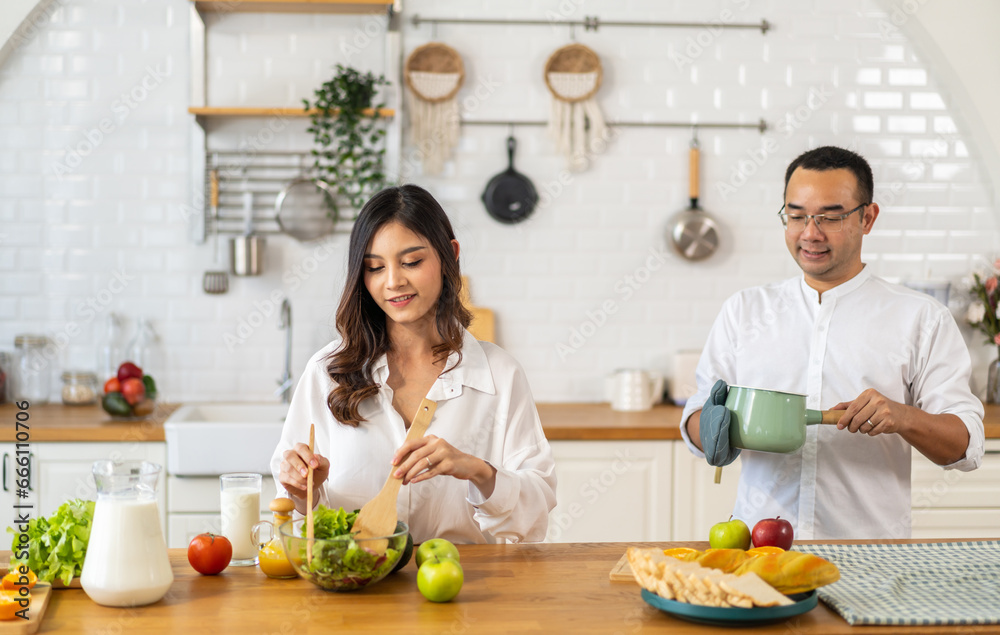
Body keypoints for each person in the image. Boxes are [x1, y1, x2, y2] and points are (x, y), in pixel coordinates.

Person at [681, 146, 984, 540]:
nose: (810, 232)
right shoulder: (745, 310)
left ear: (868, 218)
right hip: (758, 549)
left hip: (872, 558)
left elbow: (965, 446)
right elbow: (696, 414)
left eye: (830, 216)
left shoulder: (921, 318)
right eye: (797, 215)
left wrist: (902, 416)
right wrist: (710, 429)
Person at [271, 184, 557, 544]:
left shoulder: (500, 375)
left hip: (465, 589)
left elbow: (535, 511)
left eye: (411, 262)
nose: (393, 282)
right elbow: (297, 519)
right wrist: (302, 491)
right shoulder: (326, 373)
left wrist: (478, 472)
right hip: (358, 587)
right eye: (375, 267)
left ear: (449, 256)